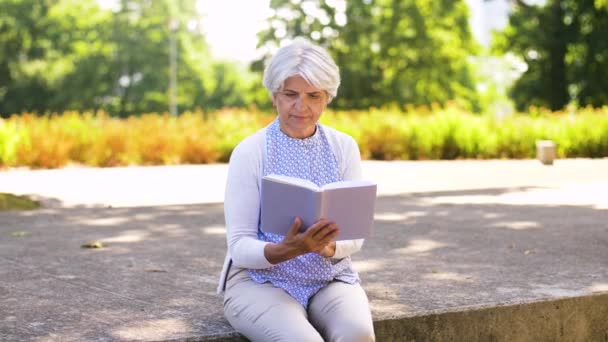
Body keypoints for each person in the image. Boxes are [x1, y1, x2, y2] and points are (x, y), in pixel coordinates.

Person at [217, 38, 375, 342]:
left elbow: (354, 234)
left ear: (327, 97)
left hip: (329, 277)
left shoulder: (344, 148)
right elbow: (239, 245)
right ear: (275, 95)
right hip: (259, 281)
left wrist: (328, 247)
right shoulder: (251, 152)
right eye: (291, 94)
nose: (301, 107)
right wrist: (287, 249)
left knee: (358, 334)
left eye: (313, 96)